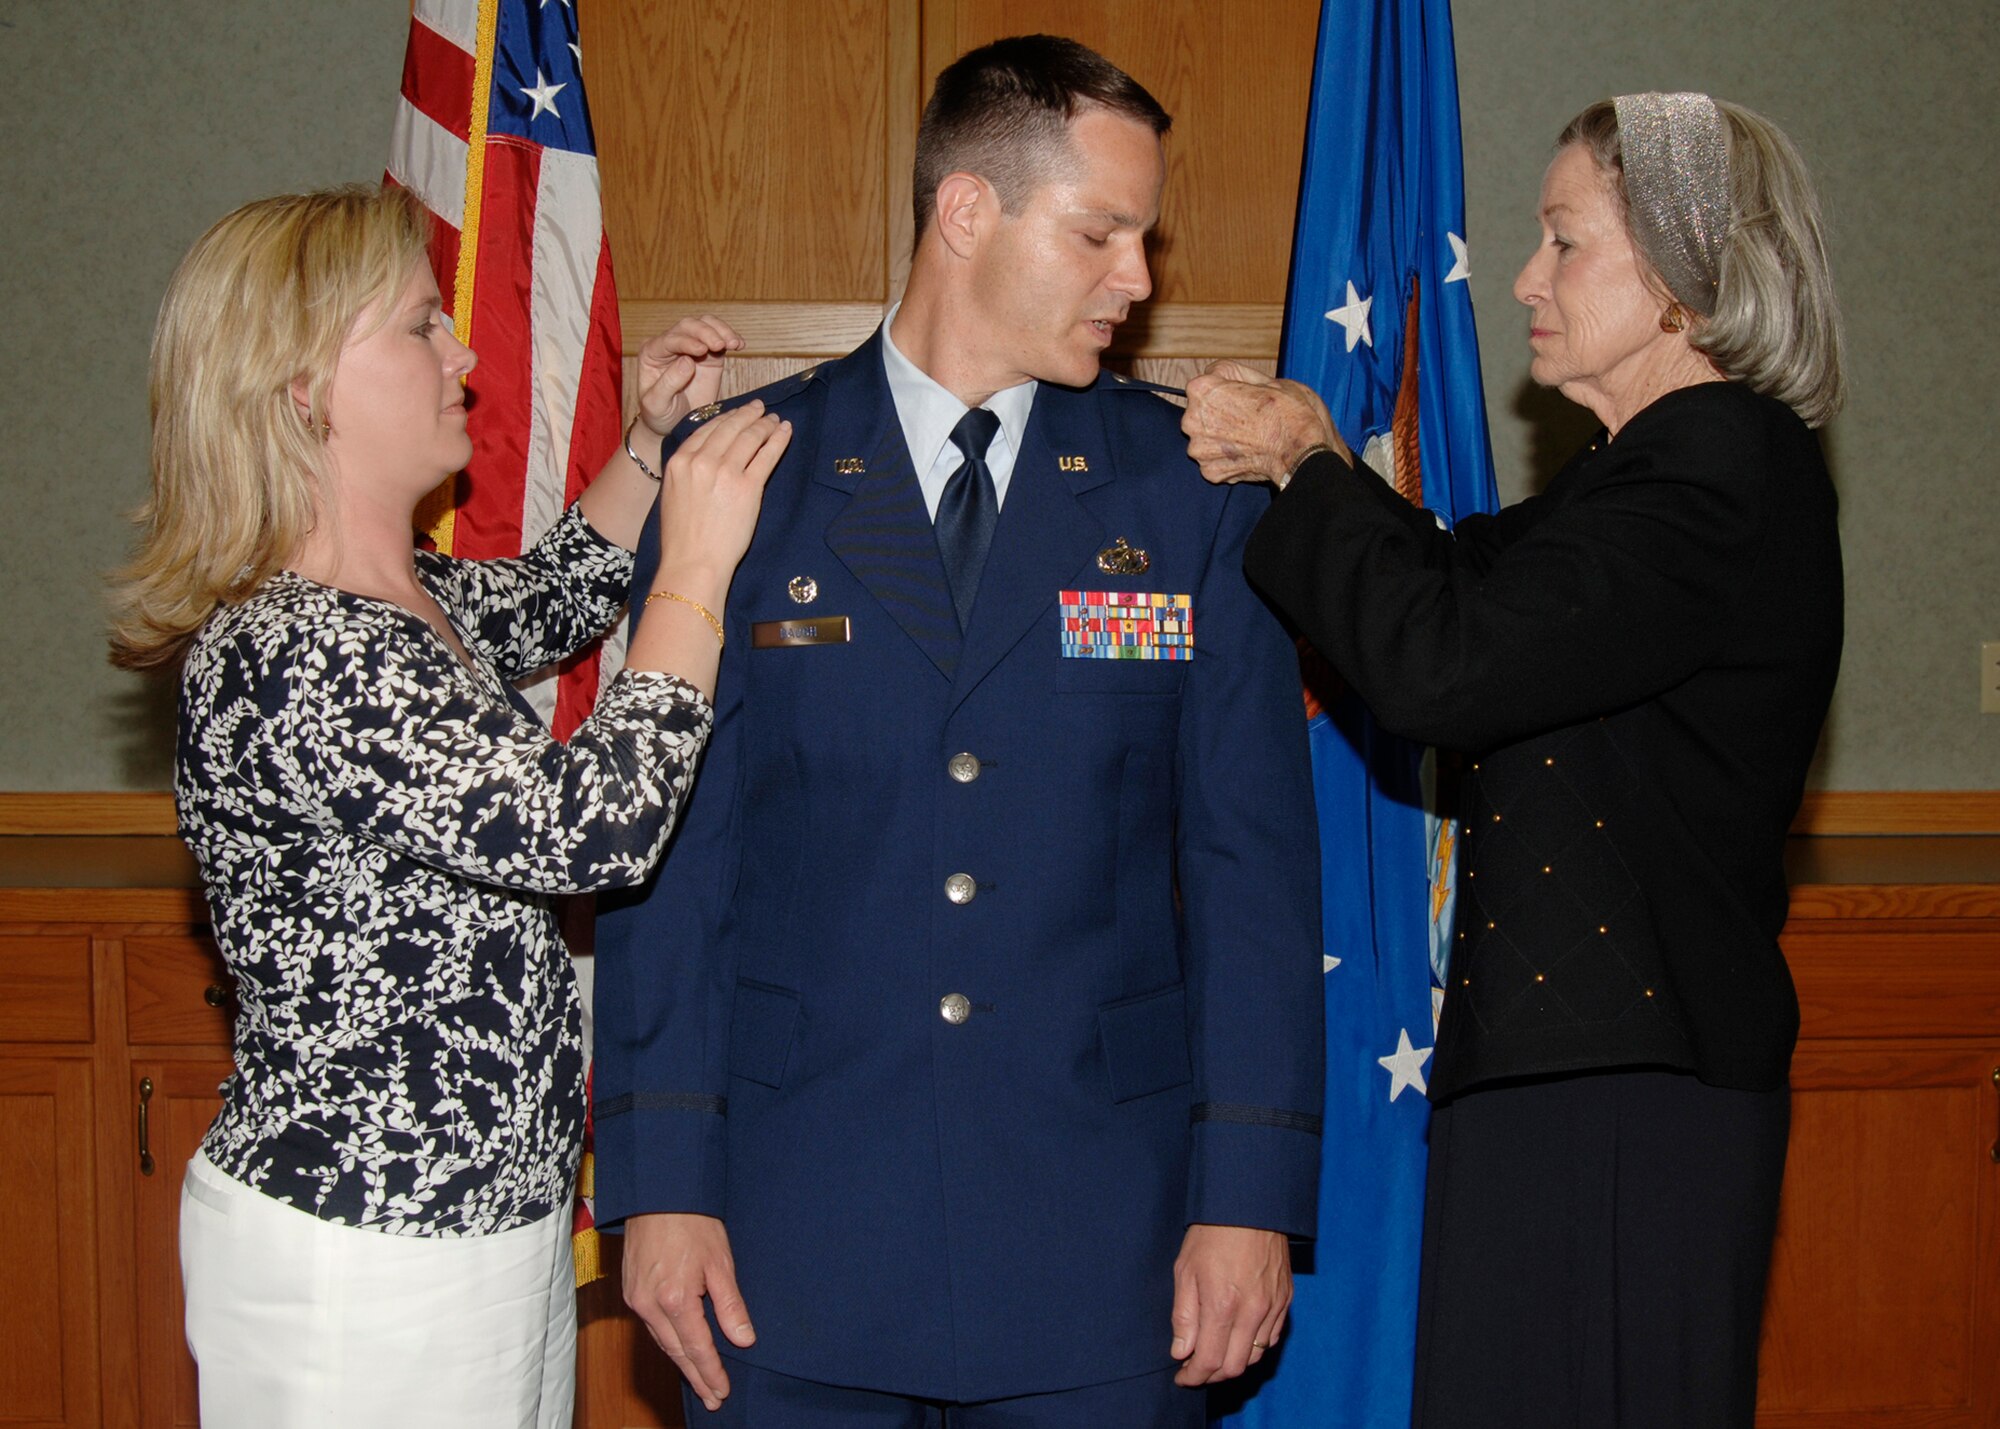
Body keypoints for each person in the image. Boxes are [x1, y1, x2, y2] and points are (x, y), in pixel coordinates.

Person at [592, 34, 1324, 1427]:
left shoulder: (1189, 495)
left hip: (1104, 1246)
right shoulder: (748, 475)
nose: (1140, 278)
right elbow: (674, 869)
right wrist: (664, 1183)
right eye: (1101, 232)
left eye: (1144, 238)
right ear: (967, 211)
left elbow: (1252, 874)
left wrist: (1249, 1199)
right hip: (791, 1240)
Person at [1181, 93, 1844, 1427]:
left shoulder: (1719, 467)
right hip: (1571, 1082)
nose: (1528, 280)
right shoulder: (1636, 475)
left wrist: (1311, 466)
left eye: (1565, 242)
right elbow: (1454, 575)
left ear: (1681, 270)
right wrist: (1301, 462)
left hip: (1627, 1103)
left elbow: (1452, 662)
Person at [106, 183, 791, 1428]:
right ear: (301, 385)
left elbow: (552, 595)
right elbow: (593, 827)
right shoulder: (297, 649)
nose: (462, 352)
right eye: (421, 326)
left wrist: (644, 453)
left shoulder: (398, 597)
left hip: (480, 1222)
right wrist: (697, 556)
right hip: (366, 1251)